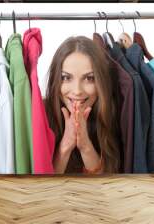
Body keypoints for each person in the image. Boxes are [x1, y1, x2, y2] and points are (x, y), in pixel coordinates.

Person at [45, 36, 121, 174]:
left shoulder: (115, 114)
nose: (77, 91)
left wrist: (85, 145)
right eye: (66, 78)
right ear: (55, 80)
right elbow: (39, 190)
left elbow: (105, 189)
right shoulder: (41, 116)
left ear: (100, 82)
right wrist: (66, 146)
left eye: (89, 78)